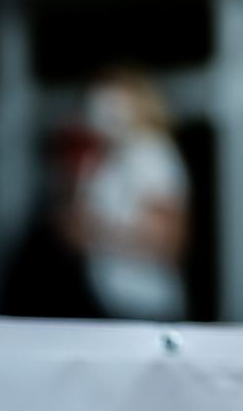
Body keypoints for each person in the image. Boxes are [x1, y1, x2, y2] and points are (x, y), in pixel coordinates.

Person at [67, 66, 191, 321]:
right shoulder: (102, 159)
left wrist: (100, 233)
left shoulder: (152, 153)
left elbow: (166, 241)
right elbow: (72, 230)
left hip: (146, 307)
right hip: (101, 300)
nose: (102, 108)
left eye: (113, 99)